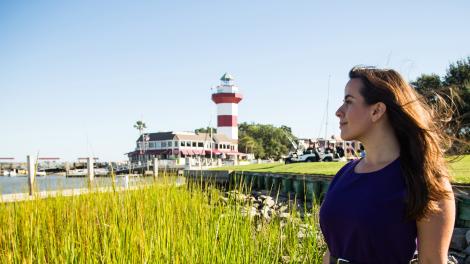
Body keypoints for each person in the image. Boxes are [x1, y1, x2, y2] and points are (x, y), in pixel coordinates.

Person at [319, 66, 455, 263]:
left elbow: (432, 261)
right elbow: (332, 250)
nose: (338, 112)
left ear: (377, 110)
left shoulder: (425, 179)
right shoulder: (344, 174)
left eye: (349, 102)